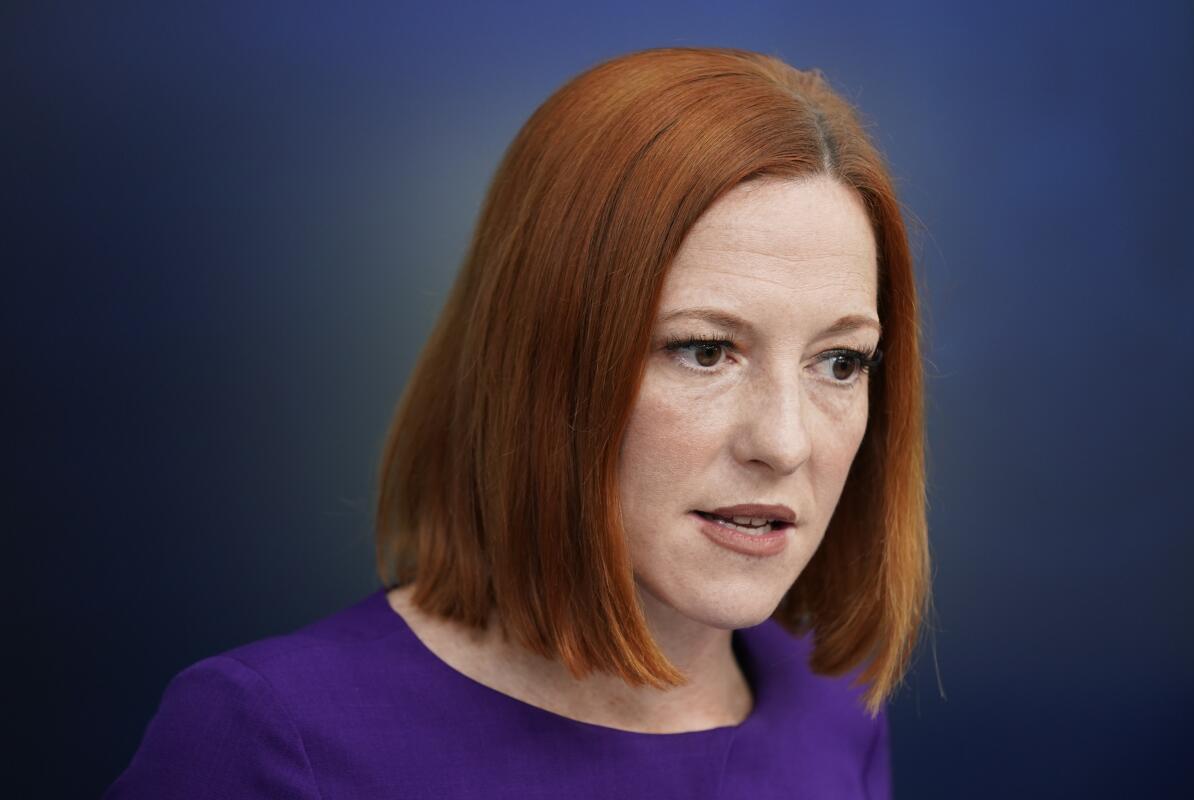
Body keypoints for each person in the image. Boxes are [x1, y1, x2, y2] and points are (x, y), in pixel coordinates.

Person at [106, 46, 930, 799]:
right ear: (542, 360)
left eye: (841, 362)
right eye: (705, 350)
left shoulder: (836, 709)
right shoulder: (268, 737)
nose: (785, 443)